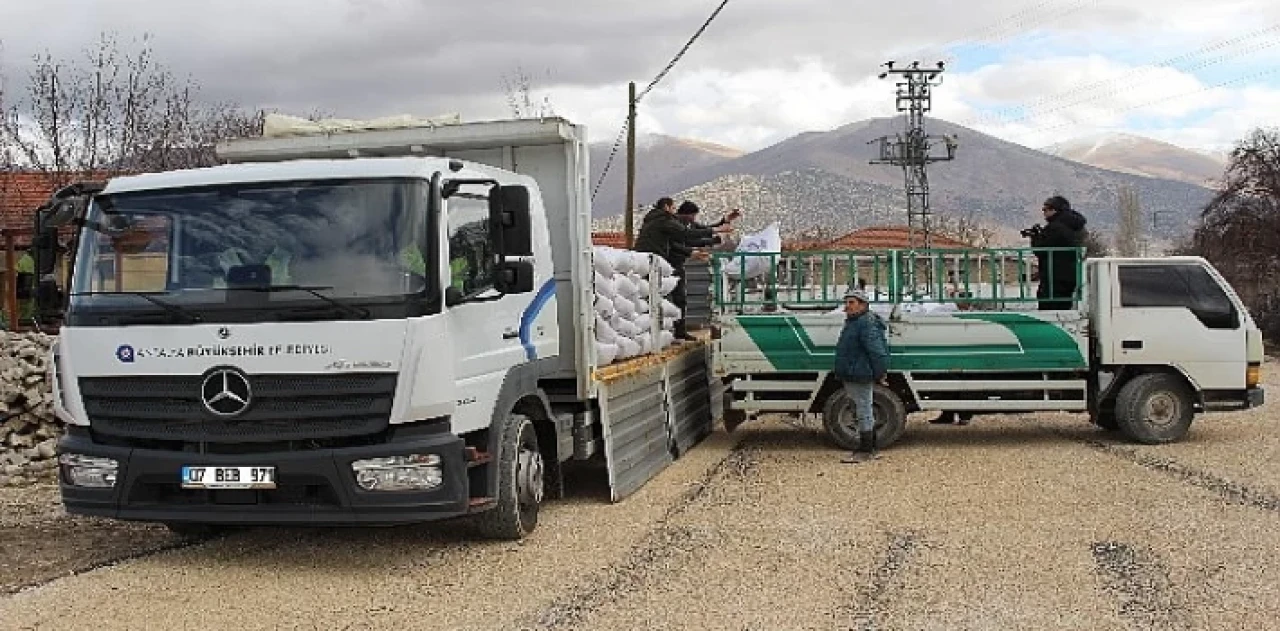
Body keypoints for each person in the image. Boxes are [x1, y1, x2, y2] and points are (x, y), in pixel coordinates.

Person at [634, 197, 731, 340]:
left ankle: (666, 333)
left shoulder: (658, 220)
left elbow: (696, 231)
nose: (675, 211)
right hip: (664, 263)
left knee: (666, 299)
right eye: (673, 208)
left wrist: (719, 227)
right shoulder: (665, 221)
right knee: (672, 298)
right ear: (666, 207)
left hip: (660, 263)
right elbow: (686, 237)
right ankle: (670, 333)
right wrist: (715, 233)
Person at [833, 288, 890, 464]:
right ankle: (869, 448)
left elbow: (877, 351)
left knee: (863, 410)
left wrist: (880, 373)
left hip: (860, 373)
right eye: (847, 302)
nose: (847, 306)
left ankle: (866, 450)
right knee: (861, 408)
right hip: (853, 373)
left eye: (852, 302)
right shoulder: (855, 321)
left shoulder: (865, 323)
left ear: (863, 305)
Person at [1027, 195, 1087, 310]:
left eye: (1046, 209)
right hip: (1069, 274)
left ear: (1055, 210)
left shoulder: (1056, 227)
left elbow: (1040, 250)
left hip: (1054, 276)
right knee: (1064, 306)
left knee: (1050, 309)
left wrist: (1035, 237)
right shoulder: (1074, 225)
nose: (1044, 213)